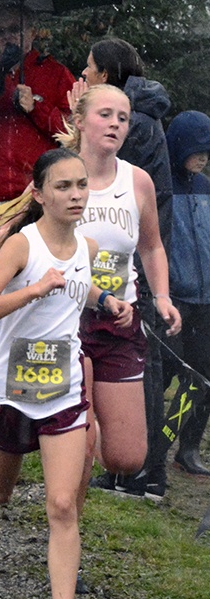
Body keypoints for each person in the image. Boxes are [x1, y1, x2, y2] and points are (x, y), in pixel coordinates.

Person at [0, 148, 132, 599]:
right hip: (12, 391)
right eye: (63, 187)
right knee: (1, 492)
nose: (75, 195)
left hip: (64, 394)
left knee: (63, 504)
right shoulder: (20, 247)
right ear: (39, 194)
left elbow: (78, 284)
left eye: (80, 186)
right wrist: (33, 292)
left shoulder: (87, 246)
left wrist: (107, 302)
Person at [56, 85, 181, 497]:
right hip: (66, 318)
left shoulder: (138, 181)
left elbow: (151, 245)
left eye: (123, 118)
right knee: (81, 445)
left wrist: (161, 296)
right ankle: (66, 527)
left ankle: (56, 443)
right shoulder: (58, 175)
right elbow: (37, 242)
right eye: (105, 114)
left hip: (120, 320)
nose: (114, 124)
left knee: (128, 458)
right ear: (79, 121)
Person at [0, 3, 75, 378]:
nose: (8, 37)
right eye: (0, 31)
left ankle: (31, 351)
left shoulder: (54, 74)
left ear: (32, 30)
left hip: (33, 200)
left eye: (15, 29)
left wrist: (35, 105)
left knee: (31, 278)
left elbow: (71, 133)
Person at [160, 111, 210, 477]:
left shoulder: (206, 186)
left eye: (208, 151)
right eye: (197, 149)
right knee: (164, 374)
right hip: (174, 297)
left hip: (207, 299)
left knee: (204, 378)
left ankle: (188, 448)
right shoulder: (161, 185)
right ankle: (151, 445)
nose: (203, 157)